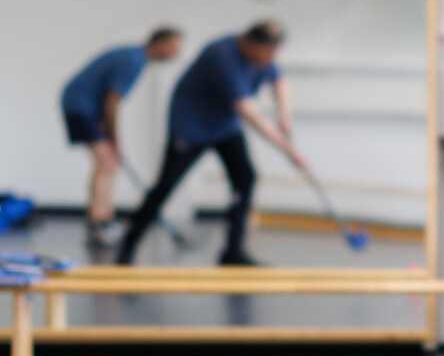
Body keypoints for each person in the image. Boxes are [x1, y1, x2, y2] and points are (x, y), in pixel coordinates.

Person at [115, 21, 303, 267]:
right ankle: (128, 246)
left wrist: (284, 116)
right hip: (191, 126)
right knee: (166, 185)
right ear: (251, 43)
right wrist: (290, 151)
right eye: (268, 51)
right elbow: (250, 114)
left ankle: (233, 252)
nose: (271, 58)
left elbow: (279, 81)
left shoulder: (261, 58)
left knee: (245, 178)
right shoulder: (223, 57)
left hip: (224, 125)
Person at [60, 27, 183, 247]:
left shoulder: (135, 57)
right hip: (81, 106)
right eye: (174, 46)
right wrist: (116, 141)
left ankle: (105, 219)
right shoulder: (133, 61)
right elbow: (112, 103)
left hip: (86, 107)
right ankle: (98, 224)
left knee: (108, 162)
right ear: (161, 43)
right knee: (106, 160)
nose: (176, 53)